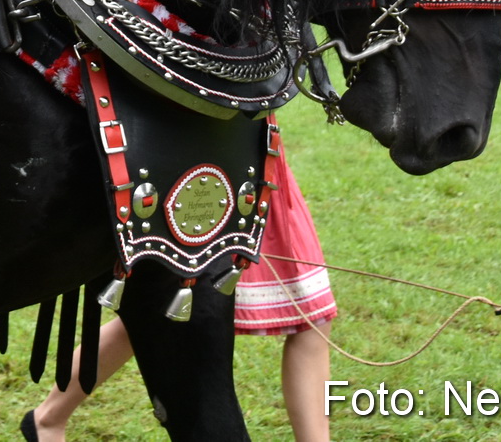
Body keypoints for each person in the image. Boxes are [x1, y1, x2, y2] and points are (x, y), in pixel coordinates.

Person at [22, 132, 336, 442]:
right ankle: (48, 418)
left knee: (308, 315)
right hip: (216, 170)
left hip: (250, 158)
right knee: (166, 312)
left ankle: (48, 418)